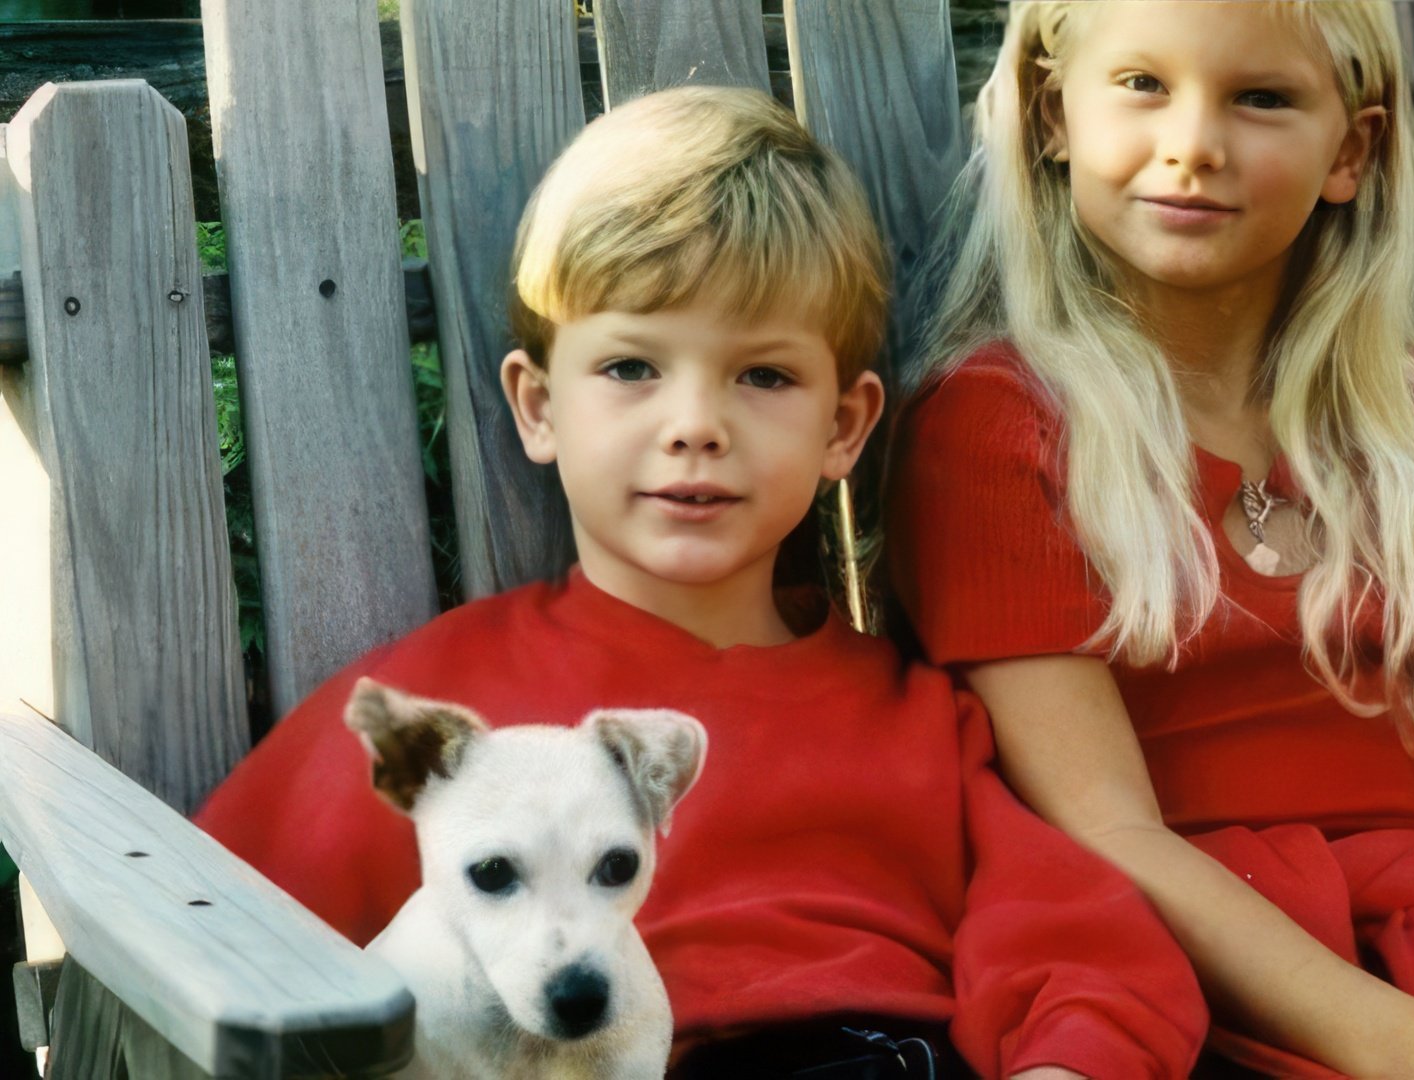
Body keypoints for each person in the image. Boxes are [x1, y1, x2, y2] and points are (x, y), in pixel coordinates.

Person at [194, 85, 1206, 1080]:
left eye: (762, 377)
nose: (695, 425)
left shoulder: (913, 723)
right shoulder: (448, 711)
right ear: (539, 407)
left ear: (843, 427)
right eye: (632, 368)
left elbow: (1078, 945)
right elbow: (205, 926)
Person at [887, 4, 1414, 1078]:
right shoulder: (1002, 430)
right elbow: (1109, 836)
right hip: (1179, 1005)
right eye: (1140, 85)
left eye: (1261, 99)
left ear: (1349, 154)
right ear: (1052, 117)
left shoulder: (1413, 439)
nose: (1193, 143)